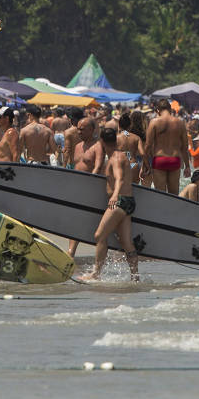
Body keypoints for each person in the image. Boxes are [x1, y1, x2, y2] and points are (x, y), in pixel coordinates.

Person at [81, 127, 138, 281]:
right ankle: (135, 276)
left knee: (99, 235)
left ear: (102, 142)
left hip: (118, 202)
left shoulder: (116, 158)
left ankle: (96, 274)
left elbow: (119, 178)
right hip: (128, 202)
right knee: (126, 242)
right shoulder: (121, 155)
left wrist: (114, 195)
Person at [68, 117, 105, 257]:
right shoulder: (78, 146)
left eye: (82, 129)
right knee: (76, 219)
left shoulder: (98, 146)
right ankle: (71, 252)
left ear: (92, 130)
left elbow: (98, 166)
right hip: (78, 188)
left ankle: (102, 256)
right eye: (78, 128)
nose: (79, 131)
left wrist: (90, 182)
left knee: (96, 224)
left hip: (92, 189)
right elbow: (75, 166)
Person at [143, 98, 190, 194]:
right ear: (170, 109)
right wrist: (187, 166)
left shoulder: (154, 122)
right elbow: (184, 148)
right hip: (174, 160)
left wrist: (145, 165)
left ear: (158, 110)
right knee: (174, 194)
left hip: (159, 160)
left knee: (160, 195)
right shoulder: (180, 123)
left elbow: (148, 146)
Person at [118, 112, 144, 184]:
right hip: (133, 165)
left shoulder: (116, 138)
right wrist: (144, 167)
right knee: (134, 191)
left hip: (120, 164)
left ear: (119, 125)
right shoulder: (136, 138)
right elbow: (142, 154)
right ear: (130, 125)